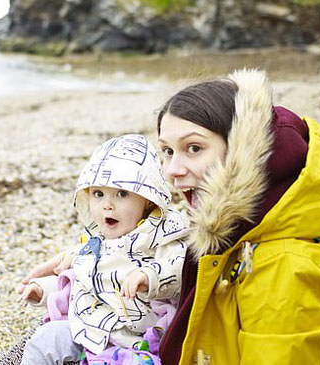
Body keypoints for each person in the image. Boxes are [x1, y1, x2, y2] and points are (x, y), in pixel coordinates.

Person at [153, 68, 320, 364]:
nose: (172, 169)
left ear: (242, 153)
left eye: (194, 148)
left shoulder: (284, 266)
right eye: (167, 151)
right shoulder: (248, 229)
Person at [17, 134, 190, 365]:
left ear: (148, 199)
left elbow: (181, 266)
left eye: (122, 194)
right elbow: (79, 280)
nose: (107, 205)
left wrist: (149, 276)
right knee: (44, 340)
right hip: (89, 329)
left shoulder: (161, 234)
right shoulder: (94, 243)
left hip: (135, 339)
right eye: (98, 194)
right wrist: (42, 291)